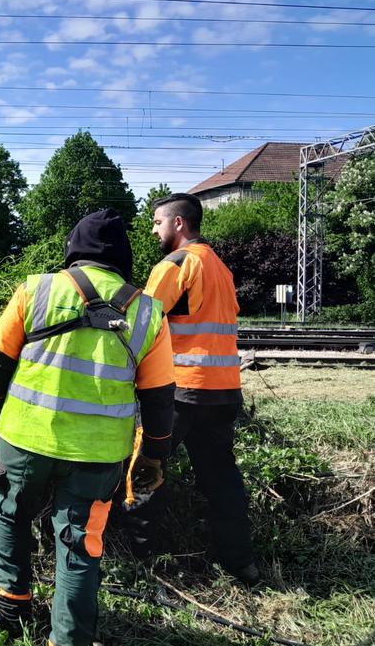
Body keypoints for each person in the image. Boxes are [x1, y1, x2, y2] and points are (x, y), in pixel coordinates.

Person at [0, 209, 176, 646]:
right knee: (80, 545)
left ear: (73, 249)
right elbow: (160, 398)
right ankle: (68, 640)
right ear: (122, 258)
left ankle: (11, 612)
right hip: (99, 455)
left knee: (10, 516)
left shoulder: (37, 289)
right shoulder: (148, 313)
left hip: (25, 439)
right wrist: (154, 454)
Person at [140, 192, 258, 584]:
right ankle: (241, 563)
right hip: (223, 390)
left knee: (145, 470)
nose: (153, 229)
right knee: (221, 478)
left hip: (181, 391)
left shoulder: (177, 263)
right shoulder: (219, 267)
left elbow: (143, 325)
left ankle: (141, 562)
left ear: (178, 223)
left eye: (157, 222)